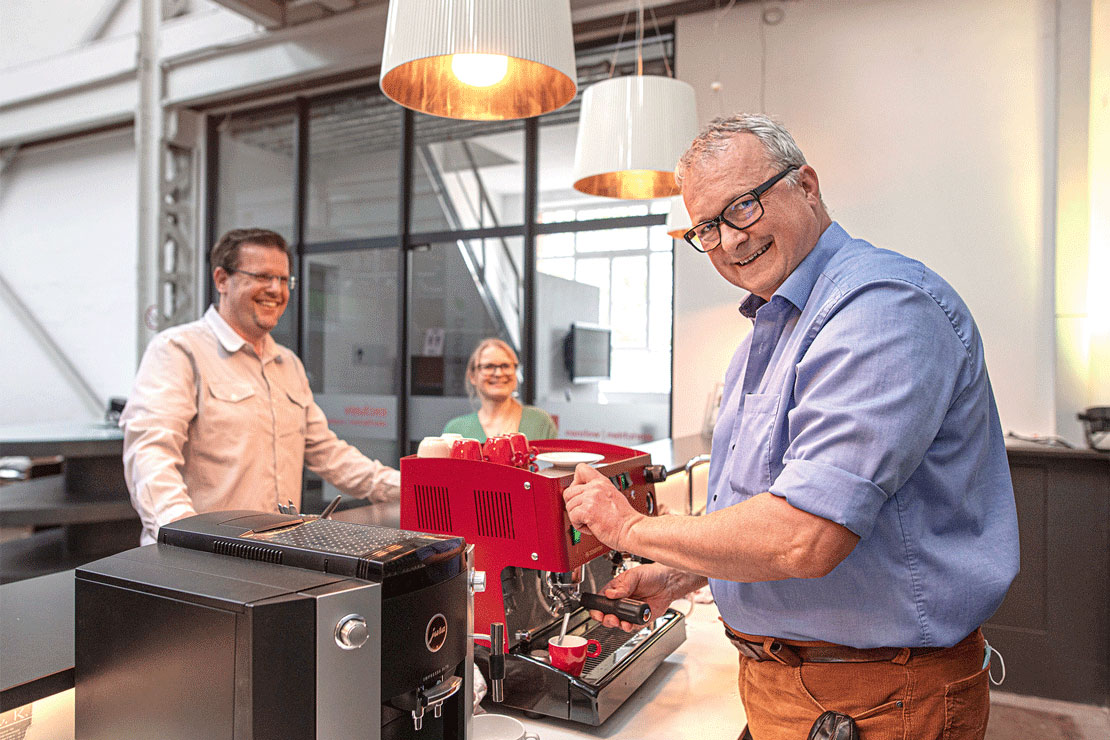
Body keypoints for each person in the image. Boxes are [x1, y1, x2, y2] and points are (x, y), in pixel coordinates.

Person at [562, 114, 1018, 740]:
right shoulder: (768, 333)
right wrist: (680, 574)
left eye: (743, 207)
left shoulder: (881, 308)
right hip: (785, 687)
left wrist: (634, 527)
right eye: (706, 227)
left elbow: (806, 535)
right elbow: (770, 512)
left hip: (878, 700)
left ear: (806, 185)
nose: (728, 241)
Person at [121, 228, 400, 545]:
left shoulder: (288, 364)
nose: (276, 290)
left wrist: (412, 488)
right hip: (202, 561)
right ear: (222, 280)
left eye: (284, 280)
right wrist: (186, 536)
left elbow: (331, 455)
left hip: (276, 554)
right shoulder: (177, 350)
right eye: (263, 276)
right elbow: (150, 456)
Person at [442, 338, 557, 442]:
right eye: (488, 366)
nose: (498, 373)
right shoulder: (455, 430)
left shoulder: (540, 422)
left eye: (506, 366)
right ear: (472, 376)